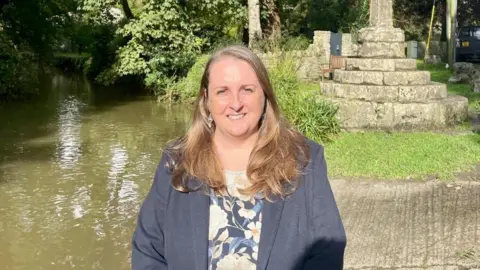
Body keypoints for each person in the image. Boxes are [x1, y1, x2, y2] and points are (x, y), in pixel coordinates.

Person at [131, 45, 346, 270]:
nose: (236, 103)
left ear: (264, 94)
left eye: (247, 90)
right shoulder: (176, 162)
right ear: (206, 99)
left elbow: (327, 252)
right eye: (222, 91)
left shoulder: (304, 160)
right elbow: (147, 249)